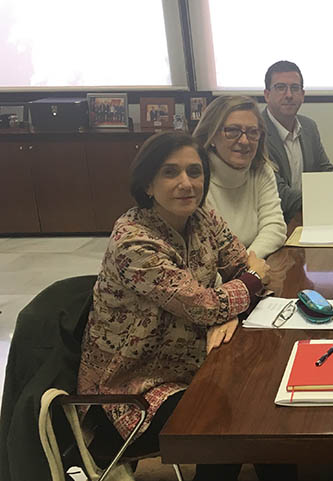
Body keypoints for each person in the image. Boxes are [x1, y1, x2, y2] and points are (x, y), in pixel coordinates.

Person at [76, 131, 292, 481]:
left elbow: (242, 270)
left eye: (195, 172)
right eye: (169, 172)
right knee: (232, 417)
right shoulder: (133, 241)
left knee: (269, 394)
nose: (186, 183)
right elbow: (223, 294)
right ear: (147, 183)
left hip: (196, 362)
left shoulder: (203, 219)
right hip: (134, 389)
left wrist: (230, 309)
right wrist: (235, 296)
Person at [193, 95, 287, 259]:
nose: (244, 140)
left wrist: (245, 265)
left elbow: (275, 227)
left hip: (250, 269)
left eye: (253, 132)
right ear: (212, 135)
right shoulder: (194, 176)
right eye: (233, 131)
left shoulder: (261, 170)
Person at [263, 60, 333, 222]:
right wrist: (327, 199)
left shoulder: (309, 126)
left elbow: (325, 170)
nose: (289, 95)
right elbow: (278, 193)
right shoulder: (256, 132)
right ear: (267, 95)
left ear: (302, 95)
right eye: (280, 87)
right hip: (273, 221)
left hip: (307, 216)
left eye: (295, 88)